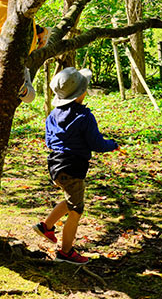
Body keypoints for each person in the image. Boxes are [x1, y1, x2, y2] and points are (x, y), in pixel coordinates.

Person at [32, 67, 118, 264]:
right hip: (73, 168)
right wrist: (112, 145)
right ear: (82, 92)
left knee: (71, 201)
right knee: (76, 210)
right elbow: (96, 143)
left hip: (55, 166)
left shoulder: (52, 115)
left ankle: (46, 226)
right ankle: (66, 252)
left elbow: (48, 140)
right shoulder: (84, 117)